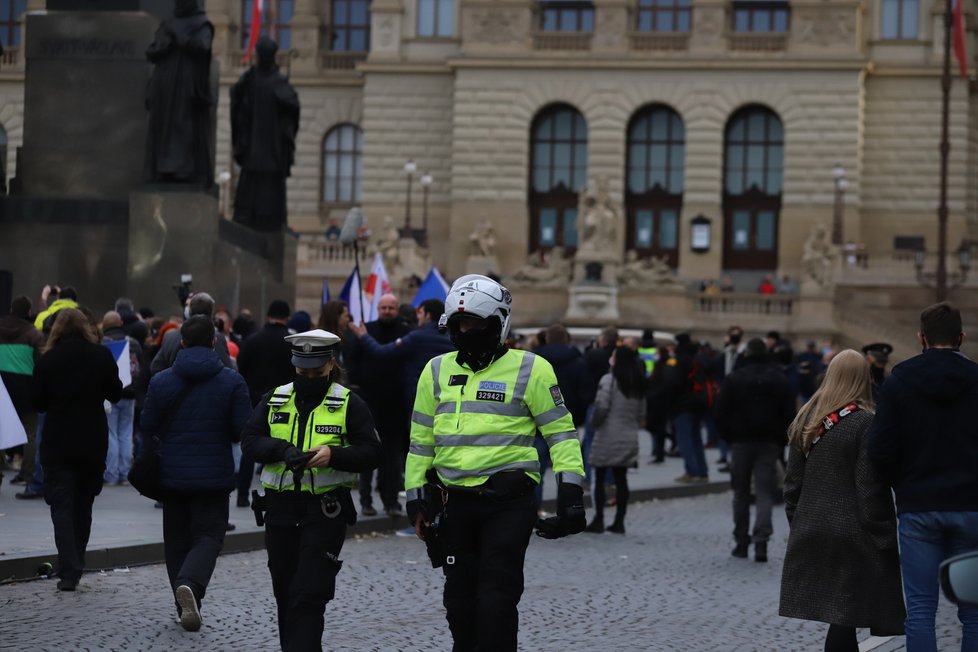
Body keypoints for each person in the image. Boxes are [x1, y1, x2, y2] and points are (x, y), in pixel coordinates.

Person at [405, 274, 586, 651]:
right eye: (458, 324)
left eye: (472, 323)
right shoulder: (435, 370)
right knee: (459, 604)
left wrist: (570, 493)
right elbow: (420, 441)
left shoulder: (531, 369)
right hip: (454, 503)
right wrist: (415, 498)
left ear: (497, 323)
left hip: (508, 503)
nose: (464, 331)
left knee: (496, 601)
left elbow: (561, 435)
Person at [241, 329, 382, 652]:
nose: (307, 377)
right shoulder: (275, 398)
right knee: (286, 593)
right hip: (279, 511)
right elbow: (249, 441)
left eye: (315, 372)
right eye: (302, 371)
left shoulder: (349, 403)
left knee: (309, 594)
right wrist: (281, 450)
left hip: (324, 513)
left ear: (331, 365)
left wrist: (334, 455)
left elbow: (373, 452)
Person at [868, 302, 978, 651]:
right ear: (961, 338)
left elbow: (880, 449)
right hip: (972, 506)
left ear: (921, 338)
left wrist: (901, 483)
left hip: (918, 507)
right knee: (974, 613)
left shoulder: (898, 380)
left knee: (919, 610)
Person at [780, 349, 905, 650]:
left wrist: (799, 521)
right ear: (862, 379)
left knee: (840, 617)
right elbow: (868, 487)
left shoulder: (805, 418)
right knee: (845, 616)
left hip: (812, 526)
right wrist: (884, 532)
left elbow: (792, 484)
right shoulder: (866, 423)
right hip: (852, 533)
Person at [140, 316, 251, 631]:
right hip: (213, 476)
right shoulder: (231, 381)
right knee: (209, 537)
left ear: (182, 342)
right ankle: (190, 584)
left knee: (175, 542)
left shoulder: (161, 381)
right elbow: (239, 431)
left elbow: (147, 426)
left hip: (171, 476)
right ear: (215, 342)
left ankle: (184, 604)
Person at [32, 309, 123, 591]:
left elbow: (39, 402)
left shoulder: (49, 359)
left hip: (58, 442)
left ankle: (69, 568)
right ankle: (76, 560)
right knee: (83, 506)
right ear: (87, 329)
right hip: (91, 442)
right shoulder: (101, 356)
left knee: (61, 507)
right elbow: (116, 393)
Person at [715, 338, 796, 562]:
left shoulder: (734, 379)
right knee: (764, 493)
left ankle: (741, 541)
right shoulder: (779, 379)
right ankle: (761, 542)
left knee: (740, 493)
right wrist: (781, 440)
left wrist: (729, 437)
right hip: (769, 443)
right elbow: (790, 414)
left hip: (741, 442)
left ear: (747, 354)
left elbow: (720, 413)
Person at [347, 293, 412, 517]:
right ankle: (366, 501)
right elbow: (352, 361)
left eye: (390, 308)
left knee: (392, 460)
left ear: (396, 310)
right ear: (378, 309)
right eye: (383, 307)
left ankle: (391, 501)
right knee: (367, 454)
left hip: (395, 405)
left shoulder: (405, 333)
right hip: (369, 403)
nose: (386, 311)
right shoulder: (366, 330)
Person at [230, 36, 300, 231]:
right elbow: (235, 97)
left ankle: (272, 218)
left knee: (270, 184)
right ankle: (248, 215)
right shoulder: (250, 79)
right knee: (251, 181)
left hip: (272, 145)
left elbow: (293, 107)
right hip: (253, 143)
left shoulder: (278, 81)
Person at [144, 0, 214, 186]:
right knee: (163, 126)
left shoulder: (201, 23)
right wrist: (164, 45)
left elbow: (202, 47)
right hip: (164, 84)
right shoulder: (168, 23)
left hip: (186, 84)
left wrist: (179, 37)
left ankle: (182, 171)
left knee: (183, 127)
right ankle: (161, 170)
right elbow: (151, 51)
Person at [234, 299, 295, 508]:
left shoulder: (252, 340)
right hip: (285, 400)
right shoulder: (291, 342)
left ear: (268, 315)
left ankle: (243, 494)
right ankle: (280, 491)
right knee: (283, 444)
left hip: (255, 398)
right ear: (287, 316)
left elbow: (241, 369)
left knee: (250, 448)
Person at [584, 345, 644, 534]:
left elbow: (601, 407)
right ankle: (619, 521)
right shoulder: (637, 382)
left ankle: (599, 519)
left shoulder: (609, 379)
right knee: (621, 479)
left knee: (599, 477)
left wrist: (593, 423)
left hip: (607, 434)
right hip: (629, 435)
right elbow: (642, 413)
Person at [0, 296, 43, 487]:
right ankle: (27, 475)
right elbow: (42, 364)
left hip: (1, 385)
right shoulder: (34, 334)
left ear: (11, 309)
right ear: (28, 312)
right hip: (26, 387)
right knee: (30, 434)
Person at [100, 310, 146, 486]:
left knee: (111, 433)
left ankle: (111, 474)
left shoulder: (103, 343)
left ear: (104, 326)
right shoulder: (132, 342)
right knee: (126, 433)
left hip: (110, 395)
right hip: (130, 393)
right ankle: (125, 473)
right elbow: (142, 367)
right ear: (120, 323)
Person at [151, 292, 232, 374]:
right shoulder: (215, 337)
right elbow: (227, 370)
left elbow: (156, 367)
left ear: (189, 311)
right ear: (211, 312)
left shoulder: (170, 337)